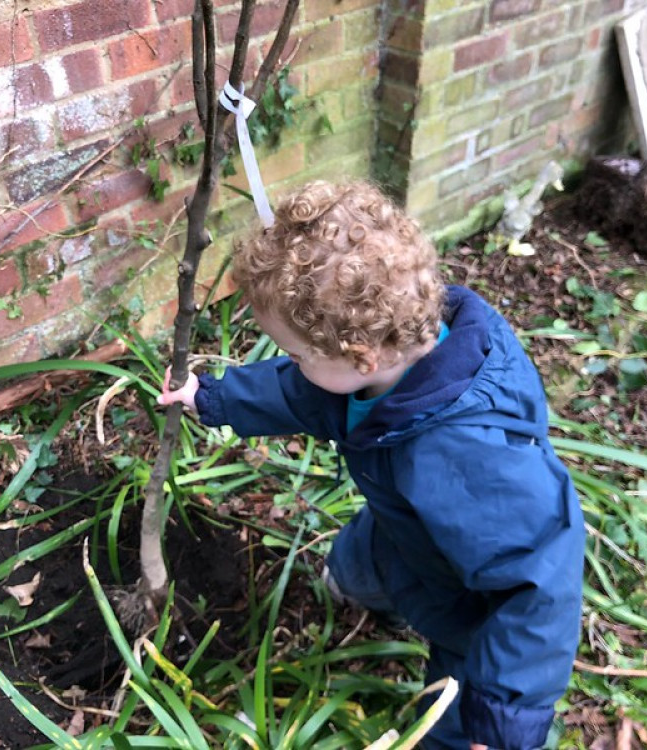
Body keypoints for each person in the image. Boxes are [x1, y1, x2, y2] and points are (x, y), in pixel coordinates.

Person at [157, 180, 585, 750]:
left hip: (470, 603)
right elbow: (302, 394)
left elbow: (538, 583)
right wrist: (213, 398)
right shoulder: (381, 363)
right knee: (359, 564)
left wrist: (503, 719)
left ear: (361, 357)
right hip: (400, 530)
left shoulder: (470, 457)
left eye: (297, 354)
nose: (292, 363)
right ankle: (352, 585)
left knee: (455, 714)